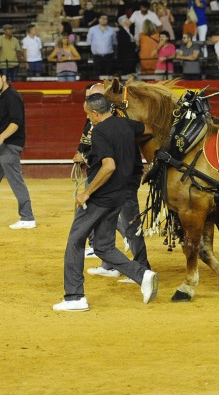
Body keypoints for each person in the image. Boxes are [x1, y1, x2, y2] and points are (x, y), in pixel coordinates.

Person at [54, 94, 158, 311]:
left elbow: (108, 166)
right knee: (103, 246)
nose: (88, 118)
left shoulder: (99, 131)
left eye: (87, 114)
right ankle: (142, 274)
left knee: (75, 240)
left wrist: (87, 193)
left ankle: (74, 297)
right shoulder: (126, 124)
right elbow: (148, 128)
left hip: (101, 196)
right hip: (121, 195)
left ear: (95, 113)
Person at [0, 72, 36, 230]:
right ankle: (27, 216)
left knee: (16, 181)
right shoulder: (3, 96)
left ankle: (27, 217)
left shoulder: (12, 96)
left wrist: (1, 137)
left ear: (3, 78)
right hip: (4, 145)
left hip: (10, 145)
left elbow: (16, 122)